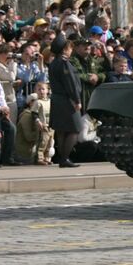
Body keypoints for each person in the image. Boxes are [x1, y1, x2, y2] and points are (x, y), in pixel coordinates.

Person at [48, 35, 83, 168]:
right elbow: (71, 84)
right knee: (75, 129)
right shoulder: (64, 63)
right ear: (64, 49)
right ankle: (65, 157)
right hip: (66, 99)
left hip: (57, 99)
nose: (70, 51)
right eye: (69, 48)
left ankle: (63, 158)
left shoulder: (53, 63)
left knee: (62, 130)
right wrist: (77, 100)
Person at [16, 80, 53, 165]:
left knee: (50, 143)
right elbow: (34, 114)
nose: (41, 91)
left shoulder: (49, 101)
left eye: (43, 89)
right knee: (42, 142)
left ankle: (46, 157)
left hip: (50, 125)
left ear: (47, 90)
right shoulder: (34, 106)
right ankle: (39, 158)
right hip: (42, 126)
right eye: (39, 90)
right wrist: (38, 122)